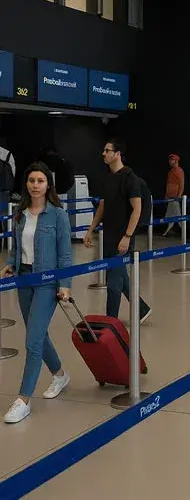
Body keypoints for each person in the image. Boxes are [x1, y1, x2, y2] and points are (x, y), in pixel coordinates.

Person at [2, 163, 72, 424]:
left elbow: (65, 254)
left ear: (48, 185)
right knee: (38, 335)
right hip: (24, 279)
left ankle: (23, 400)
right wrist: (11, 262)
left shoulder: (58, 216)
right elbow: (17, 245)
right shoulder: (20, 215)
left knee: (32, 342)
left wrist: (65, 284)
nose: (35, 185)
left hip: (47, 282)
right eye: (31, 180)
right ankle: (60, 374)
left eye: (40, 180)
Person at [85, 138, 152, 322]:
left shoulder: (130, 179)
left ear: (117, 154)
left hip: (122, 237)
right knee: (119, 275)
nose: (103, 153)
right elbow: (102, 206)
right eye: (104, 150)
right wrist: (91, 229)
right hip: (108, 235)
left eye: (107, 150)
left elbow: (137, 209)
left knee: (113, 282)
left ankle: (111, 321)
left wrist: (127, 236)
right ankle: (142, 308)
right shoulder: (108, 178)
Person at [162, 154, 184, 237]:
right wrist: (166, 196)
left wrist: (179, 195)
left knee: (177, 215)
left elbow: (181, 184)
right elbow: (168, 184)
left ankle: (183, 232)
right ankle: (169, 230)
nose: (169, 161)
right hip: (170, 197)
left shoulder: (179, 171)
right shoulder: (170, 172)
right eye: (169, 160)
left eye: (171, 160)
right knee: (170, 214)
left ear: (176, 161)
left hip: (175, 197)